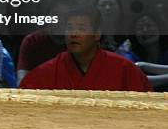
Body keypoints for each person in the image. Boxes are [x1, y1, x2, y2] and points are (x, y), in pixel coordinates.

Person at [19, 9, 152, 91]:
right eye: (69, 28)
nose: (73, 34)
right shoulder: (48, 71)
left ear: (97, 34)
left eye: (82, 28)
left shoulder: (124, 69)